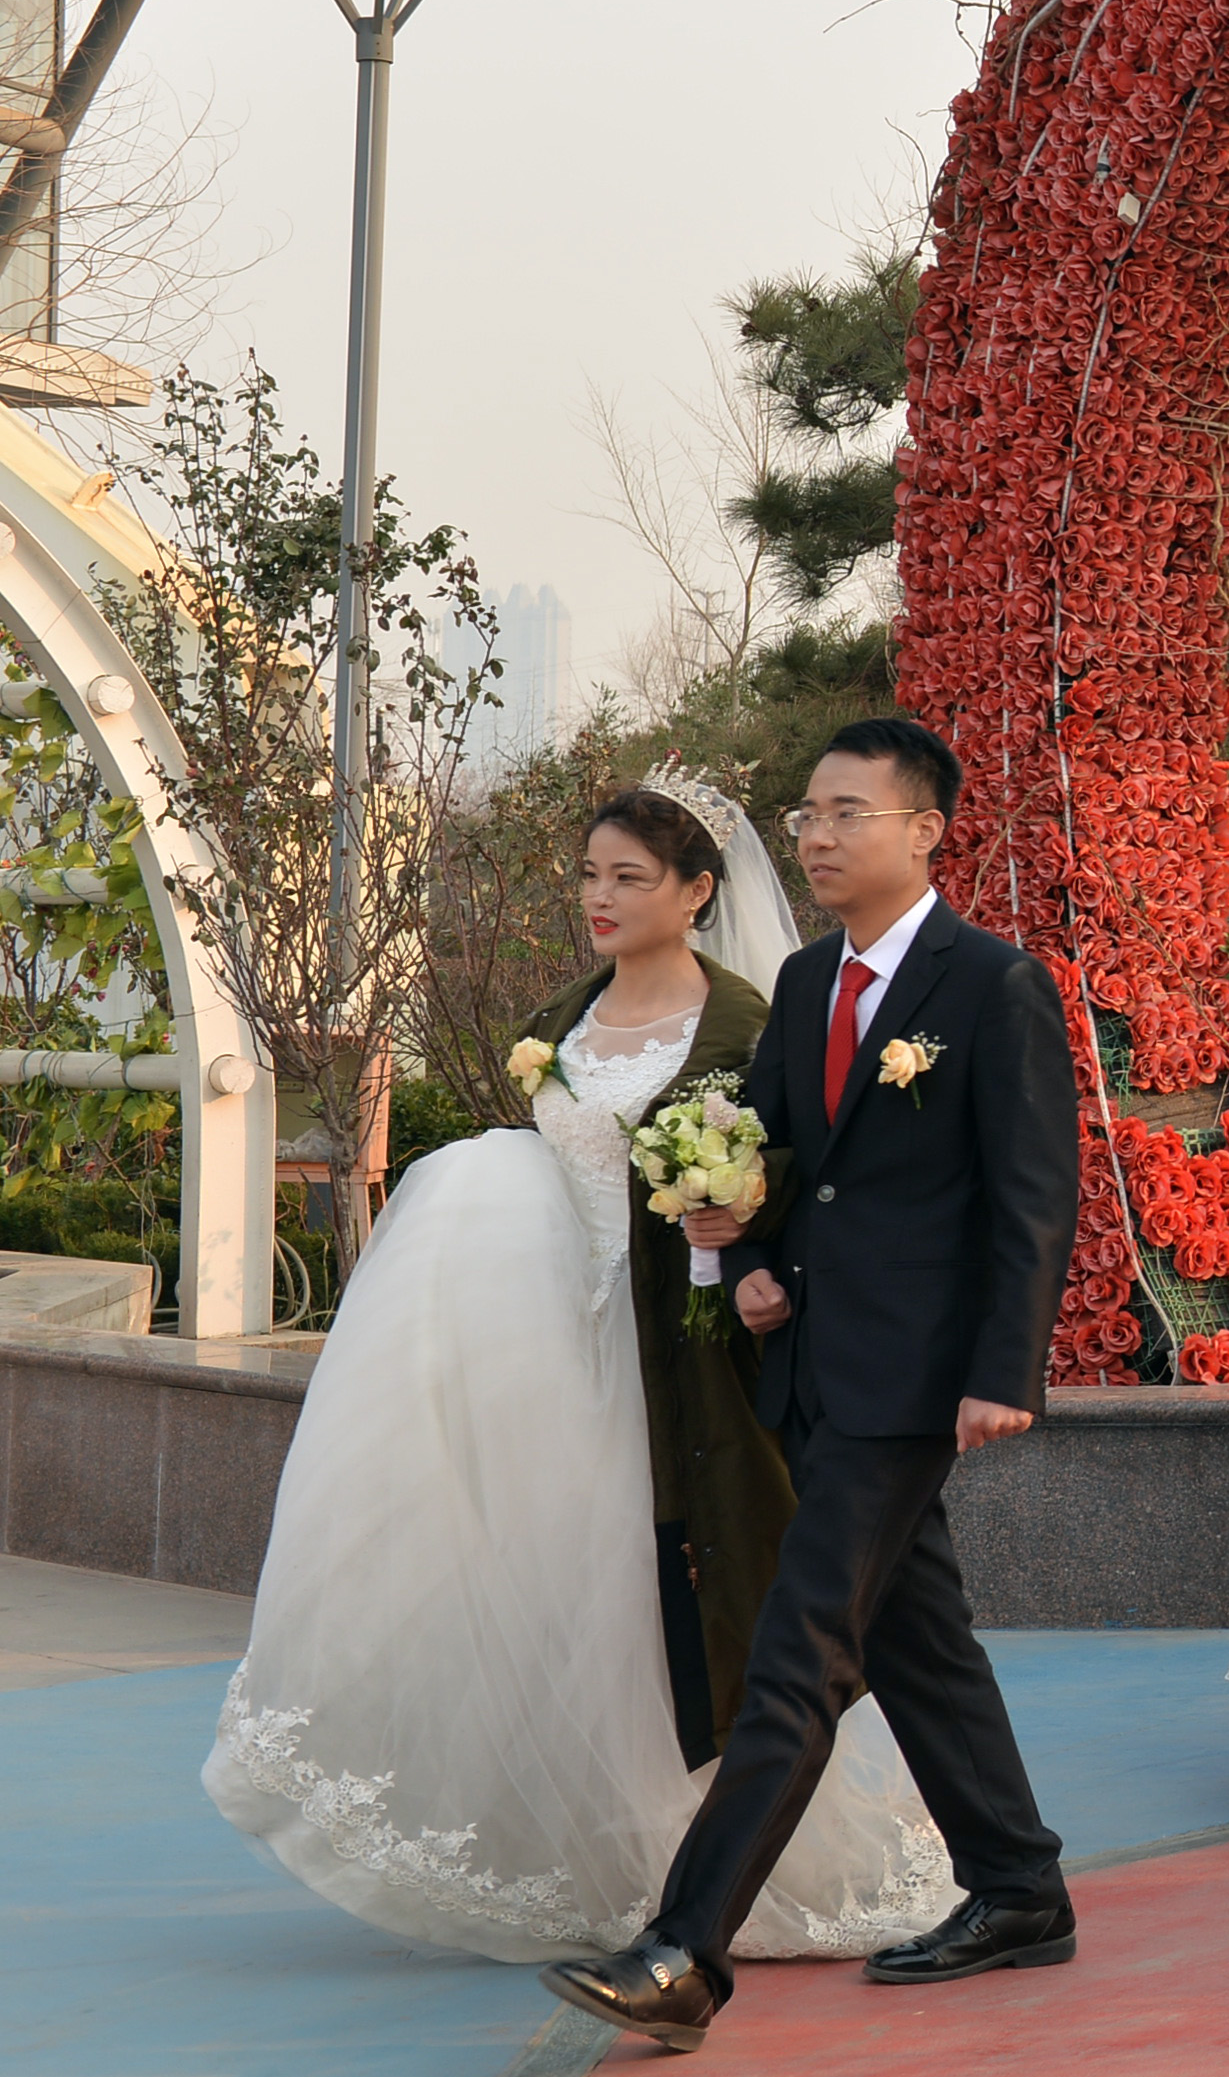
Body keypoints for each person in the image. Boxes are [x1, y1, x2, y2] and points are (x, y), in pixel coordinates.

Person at [207, 776, 955, 1968]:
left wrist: (747, 1235)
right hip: (545, 1354)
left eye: (630, 879)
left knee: (692, 1612)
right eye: (591, 876)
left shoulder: (750, 1025)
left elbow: (812, 1179)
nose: (600, 900)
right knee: (555, 1607)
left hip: (684, 1361)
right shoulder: (561, 1013)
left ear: (697, 892)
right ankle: (572, 1855)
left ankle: (715, 1871)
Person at [542, 719, 1084, 2050]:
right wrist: (756, 1254)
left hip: (911, 1381)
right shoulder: (800, 983)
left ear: (925, 830)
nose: (821, 835)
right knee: (919, 1639)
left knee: (799, 1651)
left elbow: (1031, 1201)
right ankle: (1018, 1884)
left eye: (850, 811)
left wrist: (1000, 1370)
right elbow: (780, 1152)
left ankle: (683, 1949)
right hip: (812, 1363)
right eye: (809, 814)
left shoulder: (990, 987)